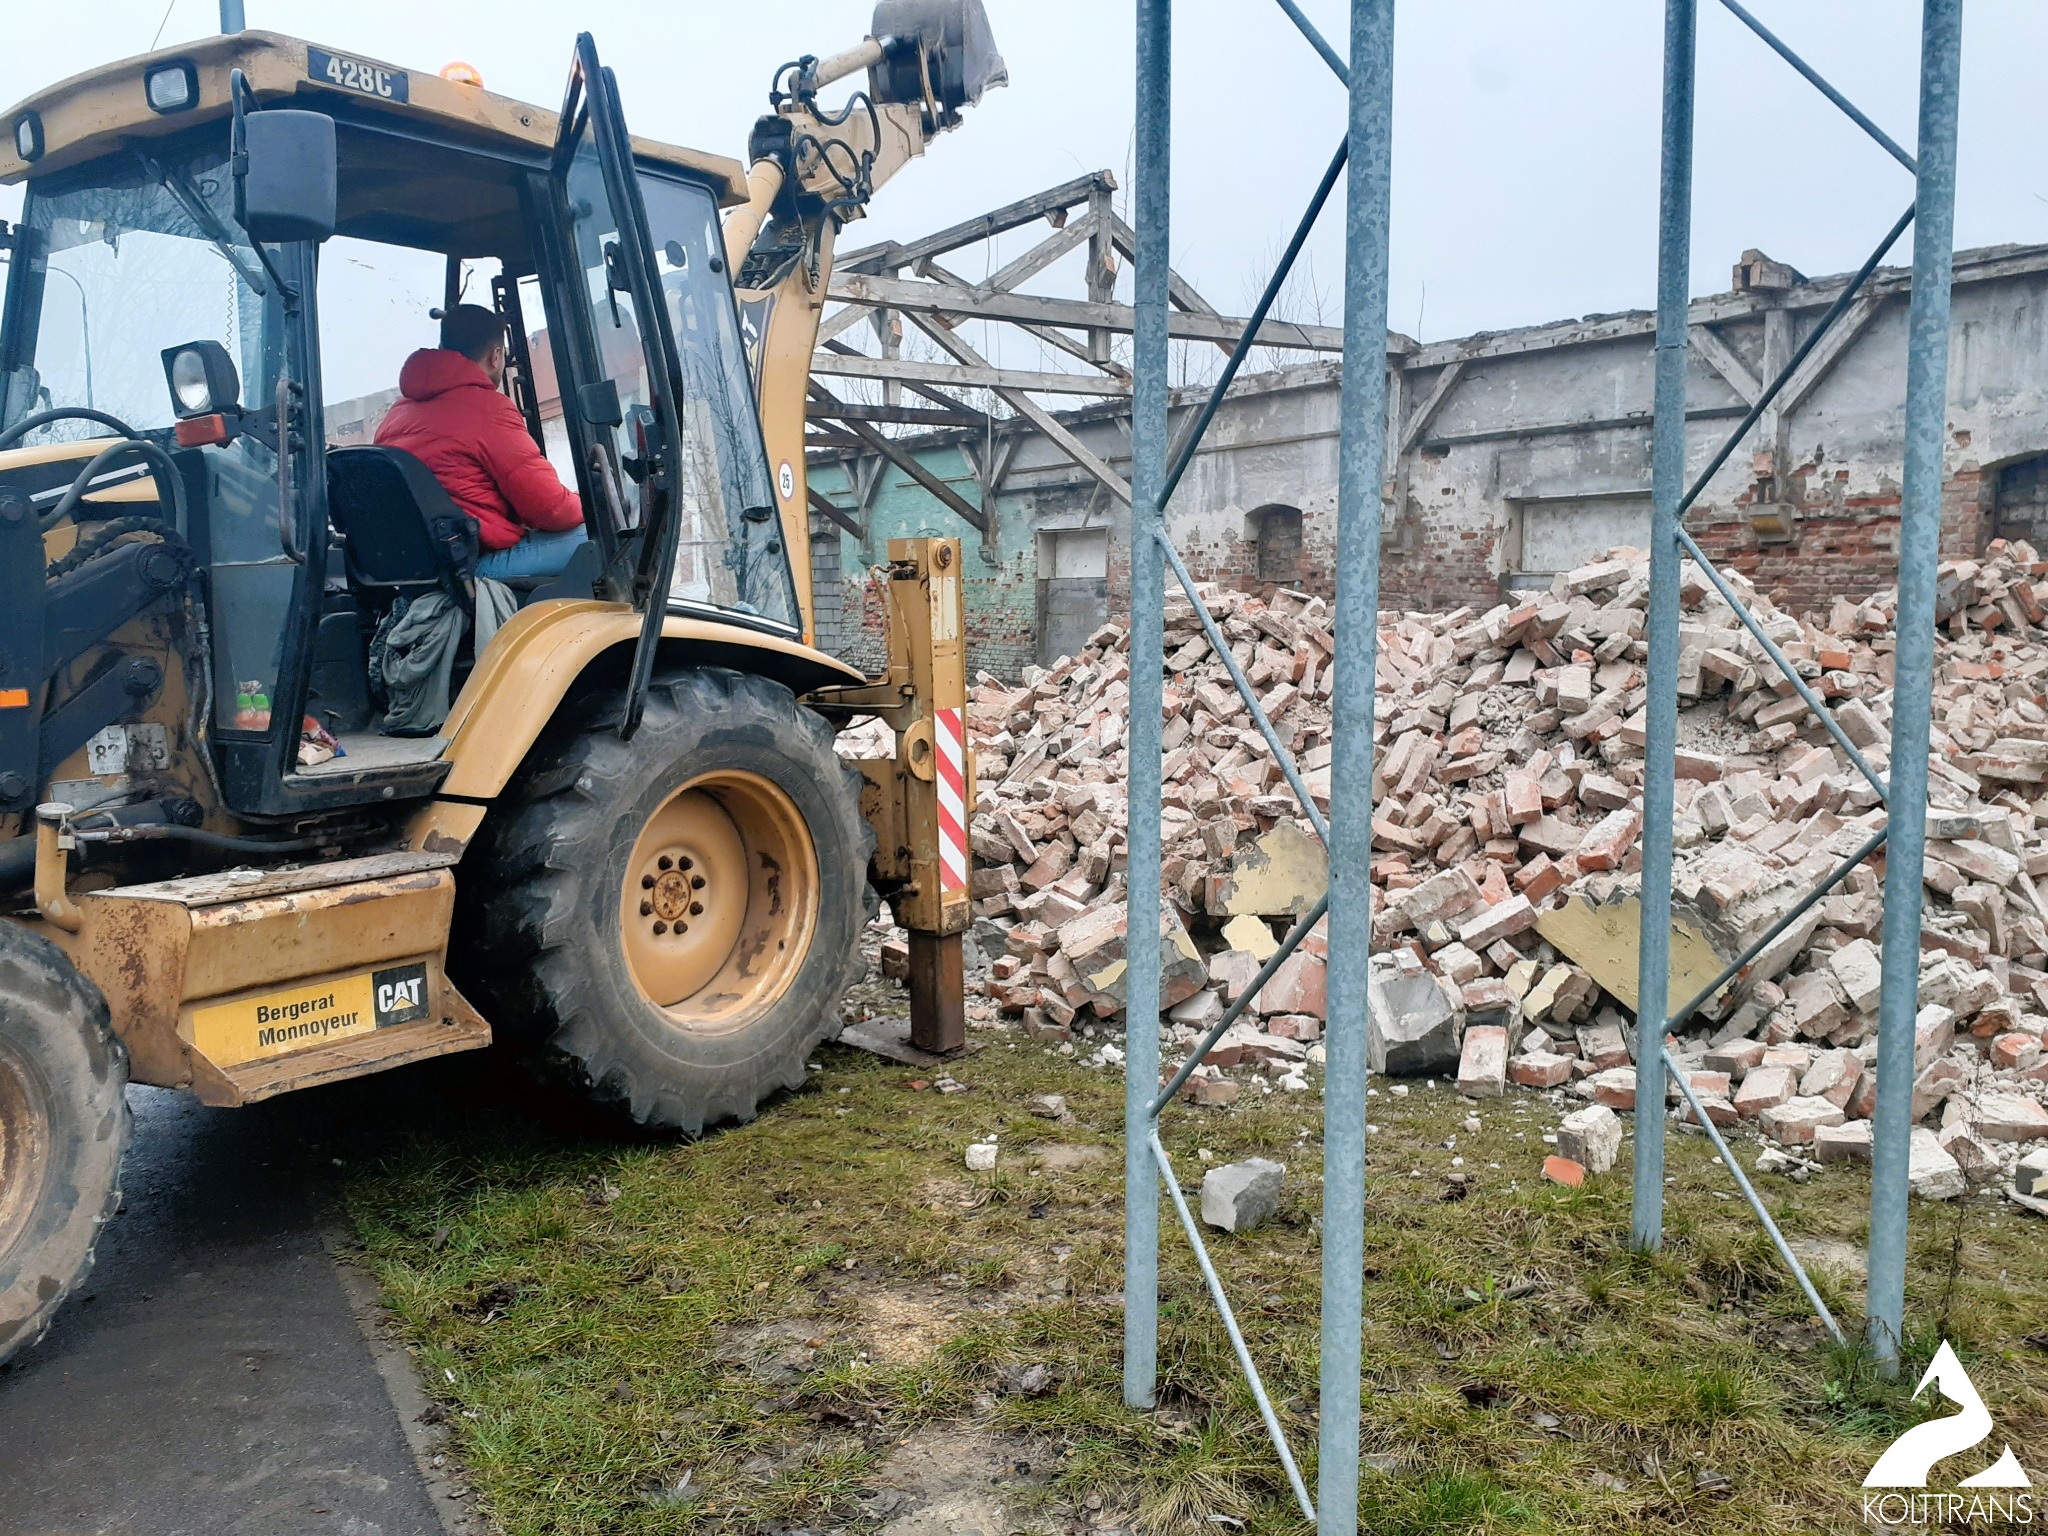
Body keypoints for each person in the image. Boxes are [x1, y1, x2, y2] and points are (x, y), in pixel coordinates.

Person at [375, 305, 588, 580]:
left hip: (419, 567)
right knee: (605, 535)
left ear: (443, 347)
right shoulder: (487, 409)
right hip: (473, 567)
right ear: (496, 356)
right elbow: (551, 510)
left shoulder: (398, 412)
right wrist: (590, 505)